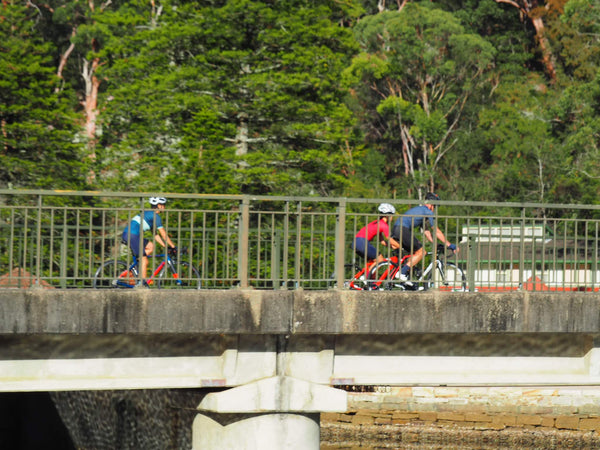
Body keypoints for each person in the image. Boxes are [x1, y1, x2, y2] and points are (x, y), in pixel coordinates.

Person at [392, 192, 457, 284]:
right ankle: (402, 273)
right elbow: (436, 231)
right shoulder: (428, 212)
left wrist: (435, 243)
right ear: (432, 204)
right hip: (403, 229)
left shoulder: (421, 211)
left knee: (415, 253)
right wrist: (450, 245)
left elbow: (427, 232)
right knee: (422, 252)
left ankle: (406, 277)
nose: (435, 209)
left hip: (397, 229)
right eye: (435, 206)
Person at [122, 197, 177, 287]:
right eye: (163, 205)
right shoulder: (156, 216)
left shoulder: (149, 215)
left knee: (150, 246)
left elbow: (155, 235)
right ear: (158, 206)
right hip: (132, 235)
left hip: (130, 234)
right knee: (145, 260)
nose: (164, 207)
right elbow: (163, 233)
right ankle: (142, 285)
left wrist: (165, 246)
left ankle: (135, 268)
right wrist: (173, 246)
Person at [351, 203, 401, 276]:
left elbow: (383, 242)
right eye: (392, 215)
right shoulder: (384, 225)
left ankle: (368, 281)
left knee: (373, 262)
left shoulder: (377, 223)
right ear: (388, 215)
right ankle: (366, 278)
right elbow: (390, 239)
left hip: (356, 242)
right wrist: (400, 246)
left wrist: (392, 246)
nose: (392, 217)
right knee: (380, 260)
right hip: (362, 242)